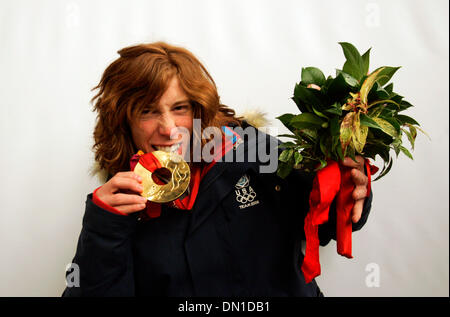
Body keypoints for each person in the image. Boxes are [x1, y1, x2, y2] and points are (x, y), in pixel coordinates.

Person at [62, 42, 372, 297]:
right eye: (147, 111)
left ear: (199, 108)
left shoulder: (254, 152)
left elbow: (331, 221)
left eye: (179, 108)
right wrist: (103, 229)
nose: (169, 129)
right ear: (123, 123)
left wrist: (348, 188)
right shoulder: (120, 202)